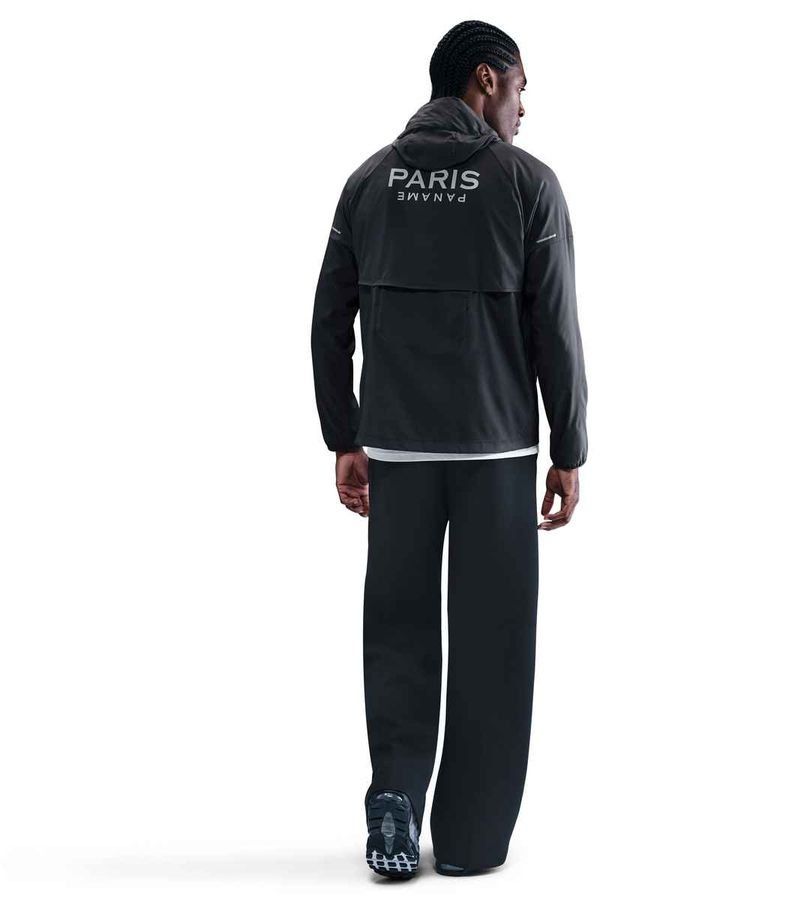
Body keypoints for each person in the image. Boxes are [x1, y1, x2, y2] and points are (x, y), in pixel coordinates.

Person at [311, 19, 588, 879]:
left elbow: (328, 321)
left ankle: (395, 800)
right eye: (520, 87)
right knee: (493, 639)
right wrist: (570, 446)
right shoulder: (526, 184)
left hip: (395, 448)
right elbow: (555, 327)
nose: (524, 108)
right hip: (495, 450)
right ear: (485, 79)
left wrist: (344, 435)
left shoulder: (369, 181)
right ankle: (470, 841)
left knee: (397, 626)